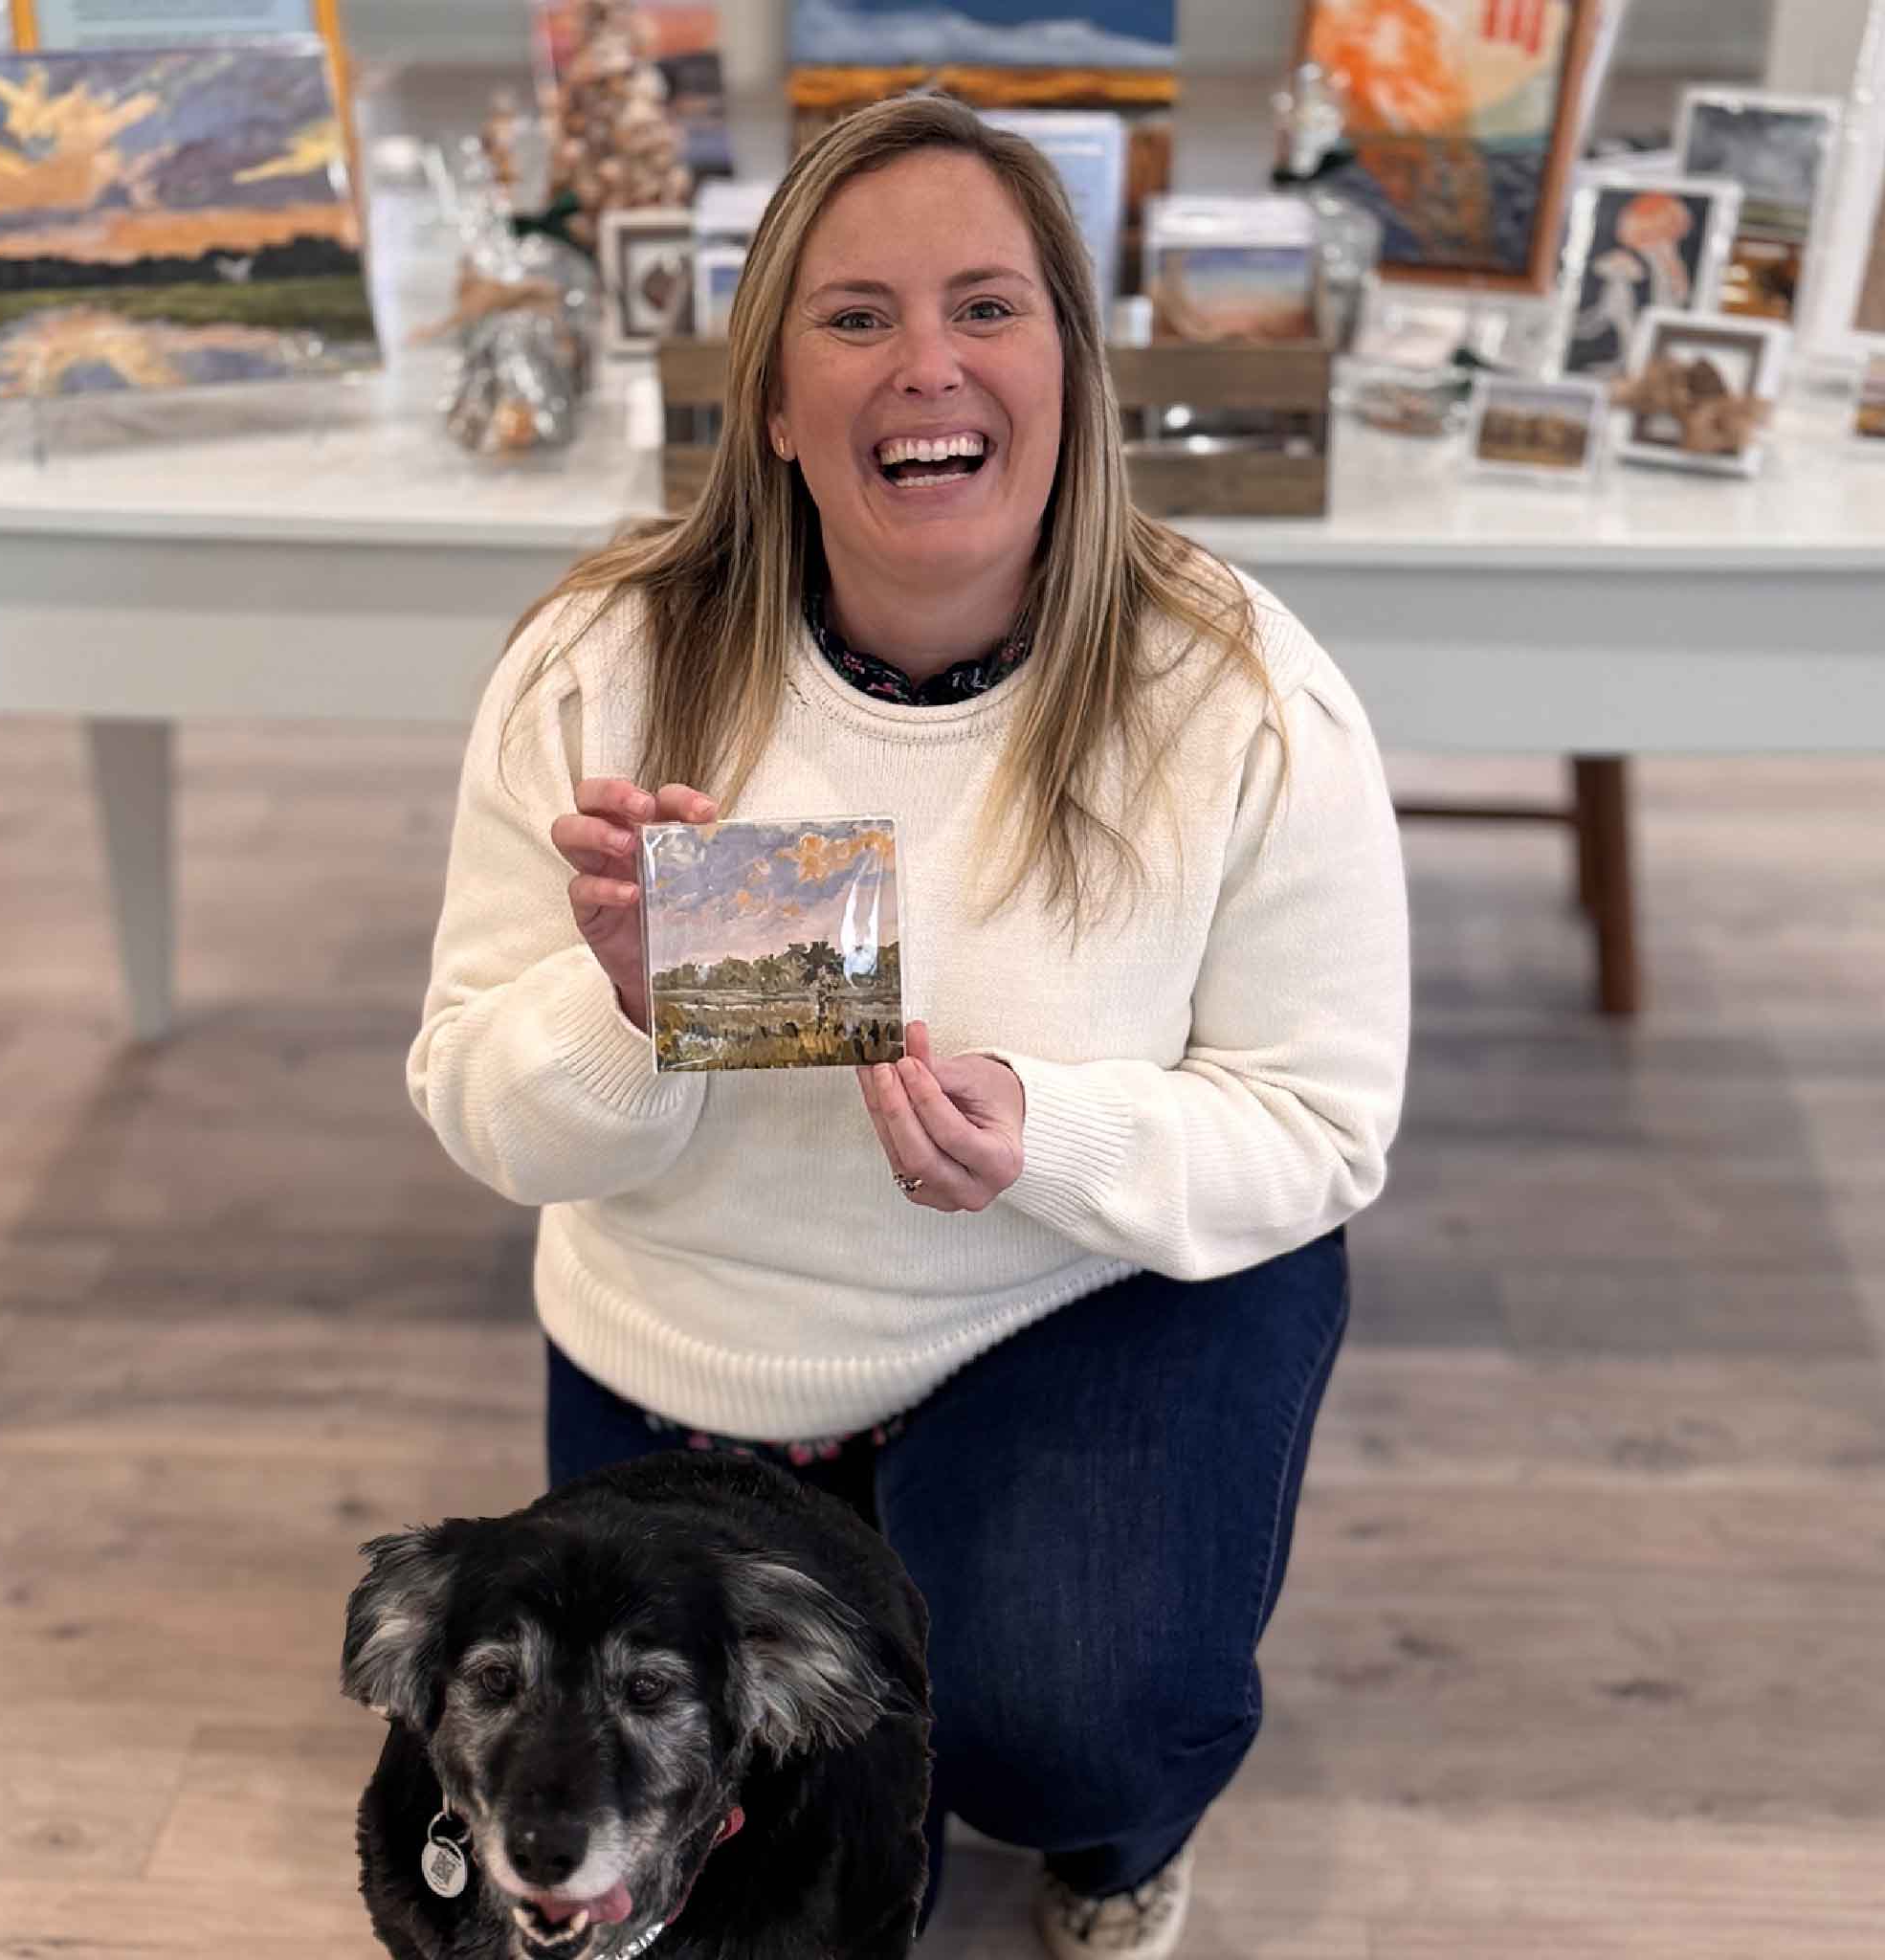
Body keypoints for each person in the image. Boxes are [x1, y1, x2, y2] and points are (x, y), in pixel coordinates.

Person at [408, 94, 1409, 1960]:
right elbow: (481, 1102)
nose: (926, 363)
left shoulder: (1244, 693)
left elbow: (1326, 1126)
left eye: (987, 308)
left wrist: (1053, 1127)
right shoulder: (601, 662)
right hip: (693, 1329)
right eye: (855, 317)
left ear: (1072, 374)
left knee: (1048, 1731)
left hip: (1076, 1291)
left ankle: (1116, 1820)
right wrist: (626, 1010)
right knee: (706, 1799)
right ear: (772, 398)